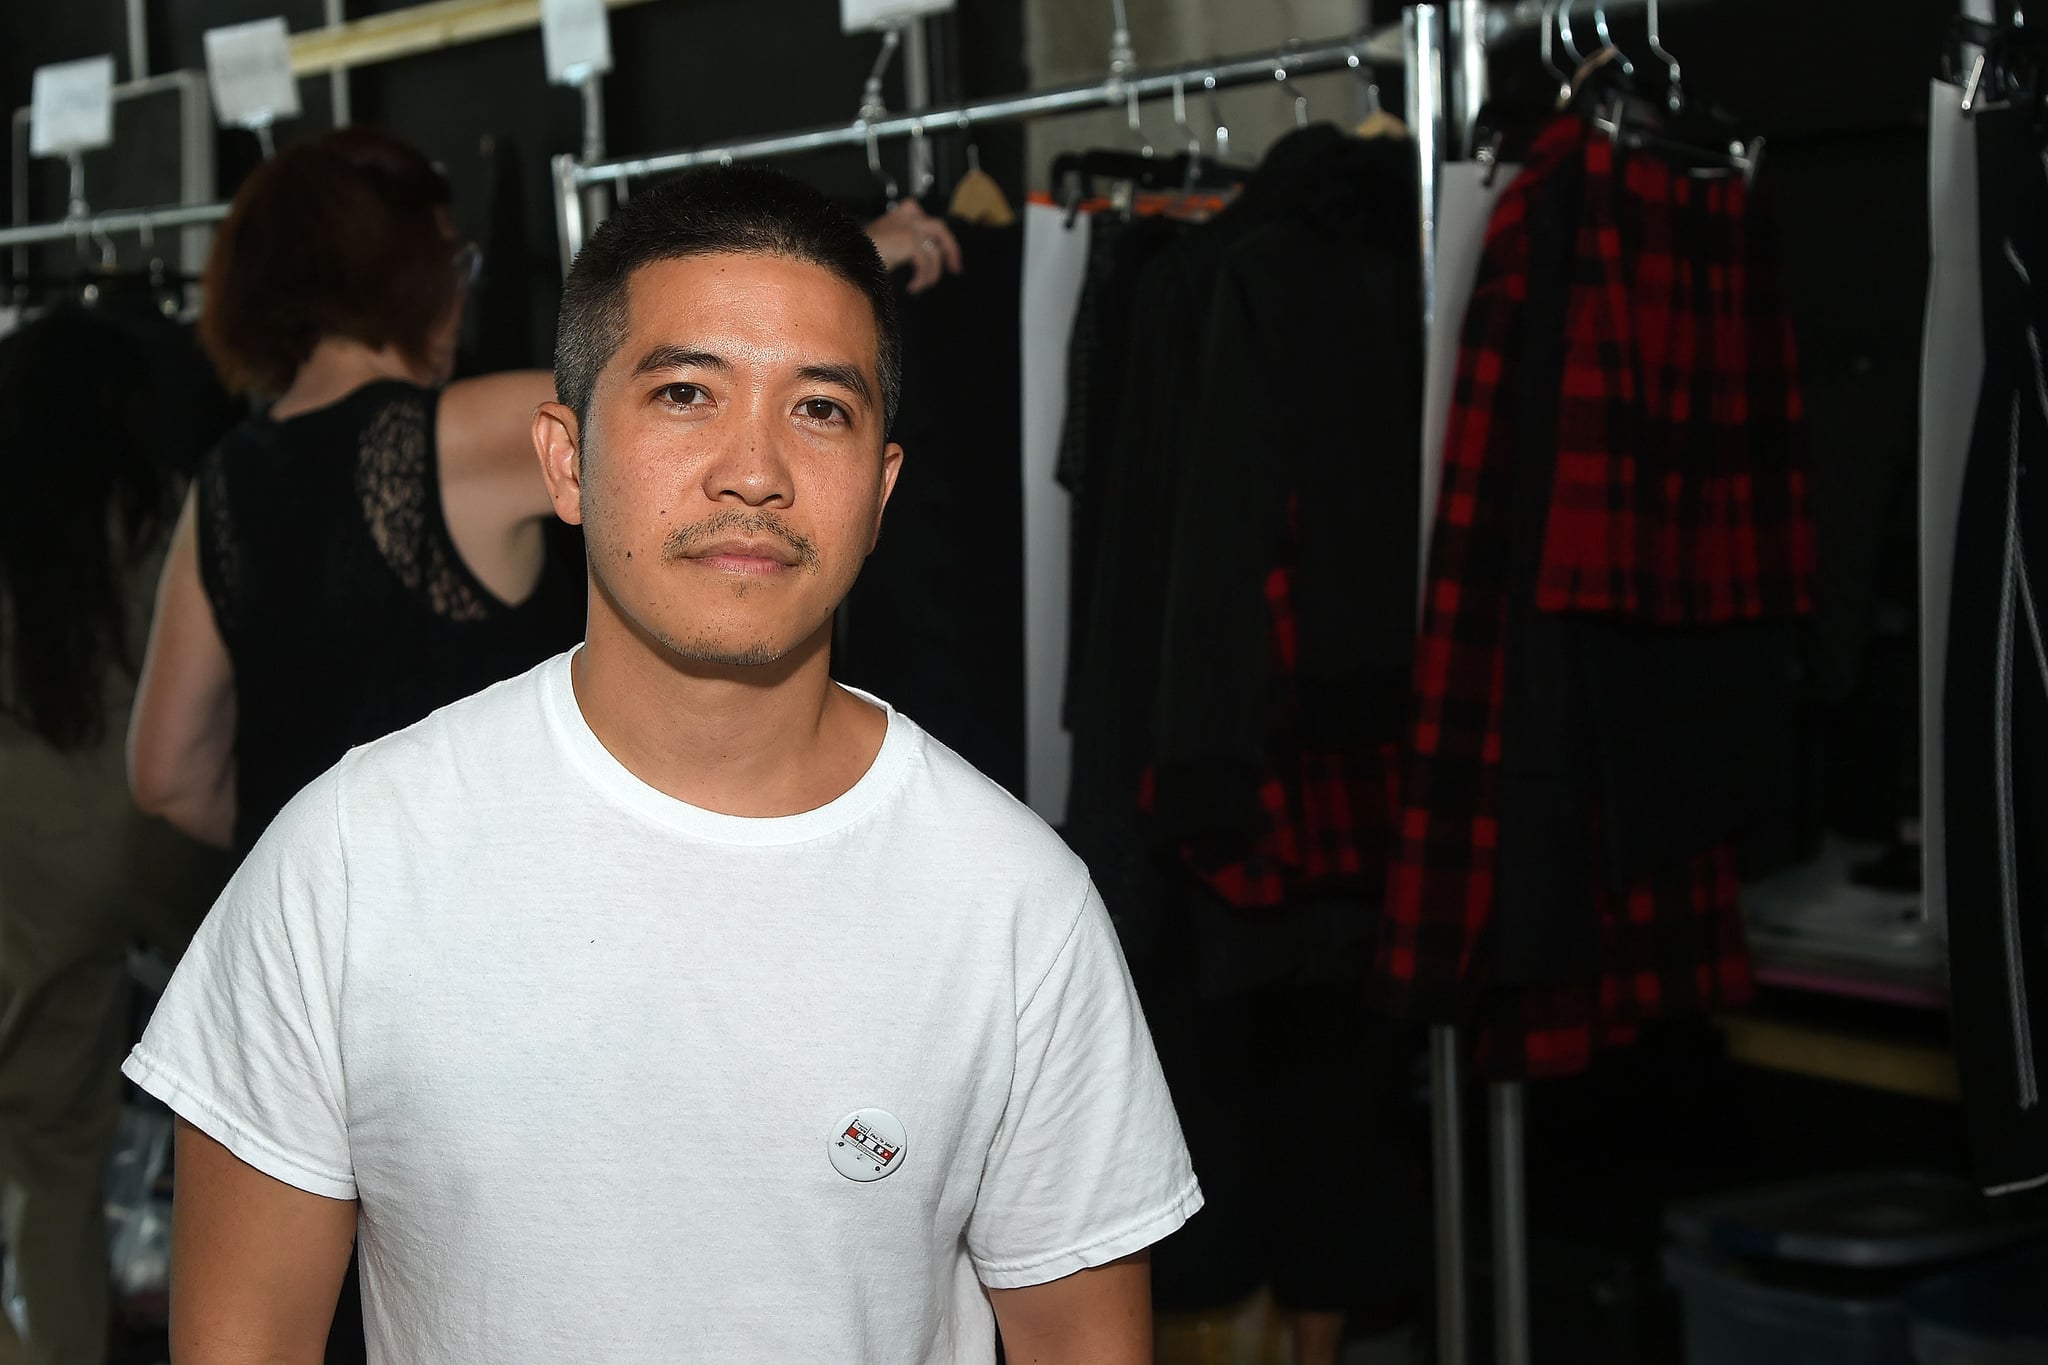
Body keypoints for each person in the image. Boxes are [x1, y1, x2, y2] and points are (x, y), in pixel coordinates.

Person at [122, 165, 1199, 1363]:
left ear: (882, 490)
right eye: (686, 393)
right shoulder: (348, 863)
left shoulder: (1013, 905)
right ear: (567, 461)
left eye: (821, 409)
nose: (754, 470)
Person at [128, 130, 964, 861]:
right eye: (454, 261)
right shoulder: (451, 436)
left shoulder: (225, 476)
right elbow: (668, 379)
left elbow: (166, 774)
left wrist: (326, 849)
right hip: (484, 894)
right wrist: (863, 253)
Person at [0, 307, 231, 1365]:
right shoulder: (167, 508)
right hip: (169, 824)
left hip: (30, 844)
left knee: (49, 1152)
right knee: (252, 1113)